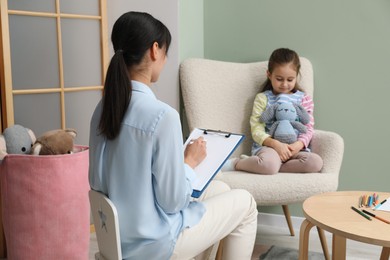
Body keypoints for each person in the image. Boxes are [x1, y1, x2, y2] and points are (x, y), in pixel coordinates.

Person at [88, 11, 258, 260]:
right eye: (165, 52)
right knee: (246, 203)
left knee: (220, 188)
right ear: (154, 50)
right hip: (156, 244)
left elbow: (99, 181)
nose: (165, 60)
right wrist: (188, 162)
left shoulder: (102, 110)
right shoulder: (161, 116)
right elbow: (172, 202)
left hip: (118, 239)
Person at [223, 48, 323, 175]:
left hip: (294, 148)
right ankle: (237, 163)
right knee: (269, 164)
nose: (285, 84)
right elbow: (256, 129)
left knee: (315, 163)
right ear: (269, 74)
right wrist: (275, 144)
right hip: (269, 147)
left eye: (290, 79)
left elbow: (308, 127)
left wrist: (298, 145)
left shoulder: (304, 99)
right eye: (279, 79)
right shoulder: (263, 98)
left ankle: (271, 166)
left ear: (297, 76)